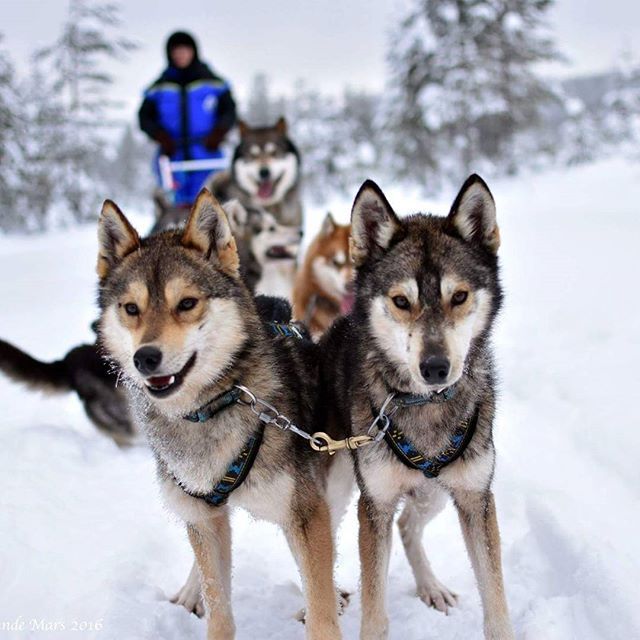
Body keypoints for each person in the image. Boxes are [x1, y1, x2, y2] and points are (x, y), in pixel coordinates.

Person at [138, 31, 237, 206]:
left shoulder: (213, 83)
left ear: (193, 52)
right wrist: (161, 136)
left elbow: (229, 111)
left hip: (207, 152)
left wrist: (219, 133)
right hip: (173, 154)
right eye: (176, 52)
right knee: (175, 206)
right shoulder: (159, 87)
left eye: (184, 50)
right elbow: (144, 118)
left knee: (211, 204)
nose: (181, 55)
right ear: (170, 54)